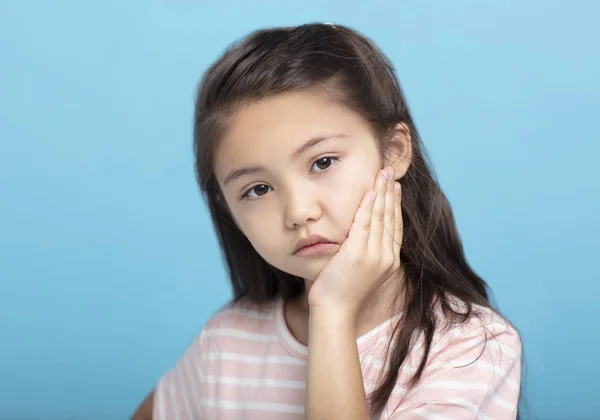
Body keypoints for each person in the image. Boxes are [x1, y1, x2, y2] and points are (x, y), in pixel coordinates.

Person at [132, 23, 522, 420]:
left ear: (394, 151)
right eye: (258, 189)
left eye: (322, 162)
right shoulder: (226, 341)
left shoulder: (470, 347)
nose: (299, 212)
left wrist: (333, 311)